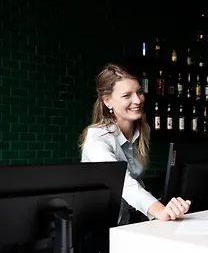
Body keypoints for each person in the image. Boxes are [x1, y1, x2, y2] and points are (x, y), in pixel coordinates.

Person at [80, 63, 190, 224]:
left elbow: (136, 181)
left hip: (124, 223)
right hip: (95, 227)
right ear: (107, 101)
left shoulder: (143, 130)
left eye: (139, 92)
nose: (137, 100)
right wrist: (159, 210)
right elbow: (123, 183)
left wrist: (165, 210)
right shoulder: (98, 138)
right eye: (127, 96)